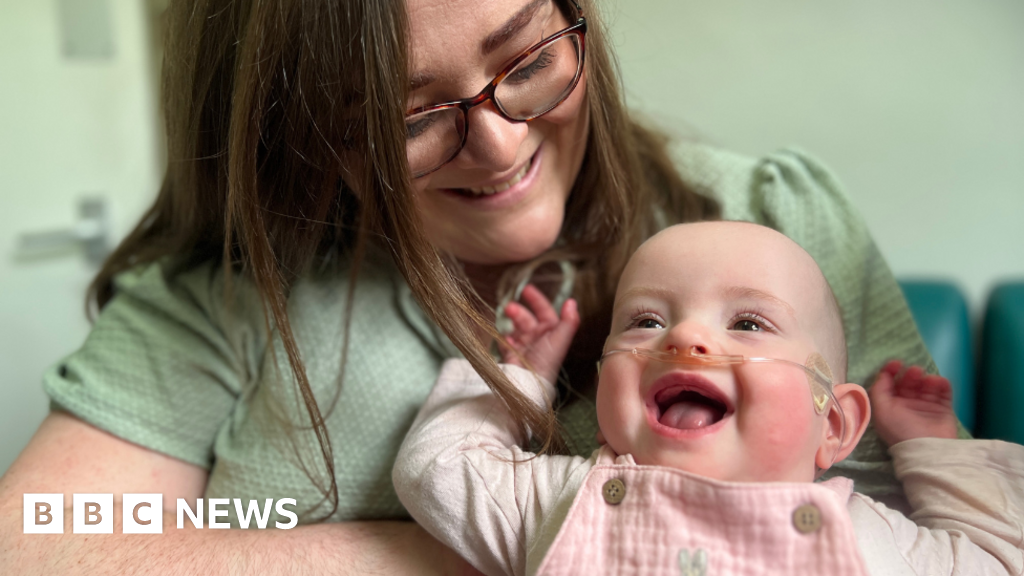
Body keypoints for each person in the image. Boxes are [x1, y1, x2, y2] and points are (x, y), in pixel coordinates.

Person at [0, 0, 956, 573]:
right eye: (410, 118)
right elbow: (43, 541)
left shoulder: (768, 214)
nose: (501, 147)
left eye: (529, 62)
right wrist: (546, 542)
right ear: (302, 137)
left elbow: (905, 530)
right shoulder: (223, 301)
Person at [393, 222, 1024, 576]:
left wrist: (930, 448)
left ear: (832, 423)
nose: (687, 338)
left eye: (747, 324)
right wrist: (523, 378)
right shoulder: (561, 500)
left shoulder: (874, 542)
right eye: (645, 321)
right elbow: (439, 471)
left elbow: (1000, 559)